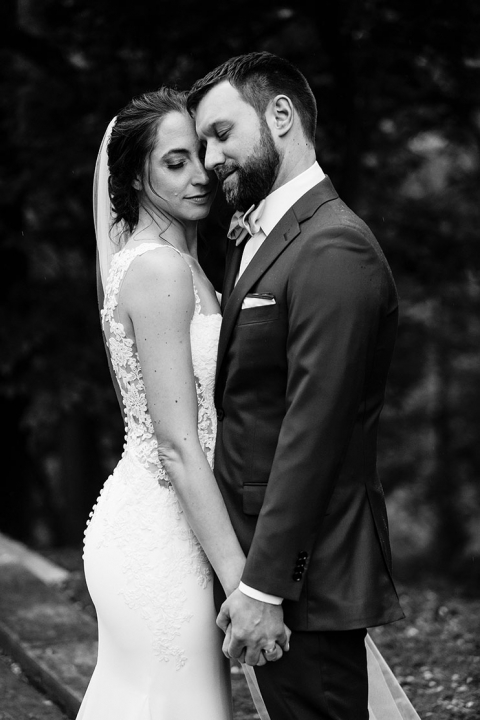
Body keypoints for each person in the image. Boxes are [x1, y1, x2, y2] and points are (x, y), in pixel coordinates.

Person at [187, 52, 418, 720]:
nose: (210, 159)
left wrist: (265, 587)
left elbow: (315, 431)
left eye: (222, 134)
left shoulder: (334, 246)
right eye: (202, 144)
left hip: (302, 581)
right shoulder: (257, 238)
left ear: (281, 115)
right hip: (263, 564)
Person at [78, 87, 289, 720]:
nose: (201, 174)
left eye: (201, 154)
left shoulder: (184, 264)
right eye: (176, 162)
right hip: (160, 539)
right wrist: (243, 582)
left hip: (181, 524)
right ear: (132, 178)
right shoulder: (159, 271)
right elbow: (175, 443)